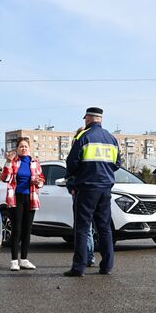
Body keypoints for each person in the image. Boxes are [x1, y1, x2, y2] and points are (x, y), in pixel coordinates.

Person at [64, 107, 121, 277]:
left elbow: (72, 162)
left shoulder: (84, 136)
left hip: (87, 188)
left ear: (88, 118)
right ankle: (107, 266)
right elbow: (117, 163)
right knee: (104, 228)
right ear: (100, 119)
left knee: (82, 228)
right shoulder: (112, 139)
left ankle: (79, 267)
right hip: (105, 188)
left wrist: (79, 174)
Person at [0, 137, 45, 271]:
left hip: (31, 198)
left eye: (26, 146)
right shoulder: (13, 162)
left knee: (27, 230)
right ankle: (14, 261)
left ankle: (24, 260)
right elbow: (5, 178)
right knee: (17, 230)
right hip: (16, 198)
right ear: (17, 149)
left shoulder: (35, 162)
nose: (23, 148)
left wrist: (38, 182)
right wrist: (8, 163)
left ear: (29, 148)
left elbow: (41, 179)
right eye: (21, 146)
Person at [66, 126, 95, 267]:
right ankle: (88, 257)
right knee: (86, 228)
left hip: (84, 191)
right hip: (83, 191)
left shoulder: (82, 156)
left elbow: (71, 170)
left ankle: (87, 257)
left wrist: (72, 185)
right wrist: (70, 186)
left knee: (84, 228)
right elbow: (70, 174)